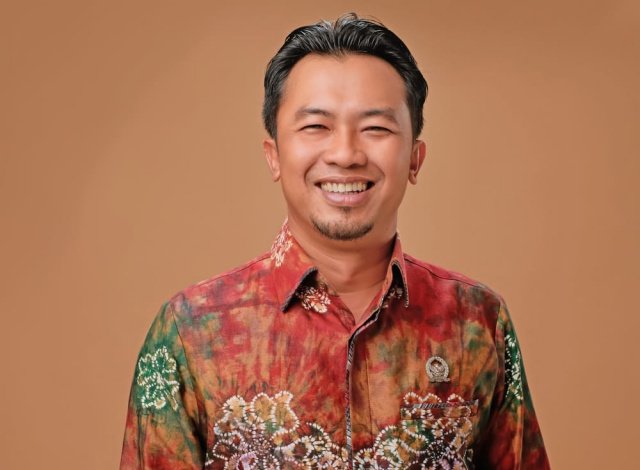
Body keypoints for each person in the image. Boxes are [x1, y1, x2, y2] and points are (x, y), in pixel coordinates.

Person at [120, 13, 550, 469]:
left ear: (415, 159)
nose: (345, 154)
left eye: (376, 128)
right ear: (274, 155)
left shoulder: (476, 323)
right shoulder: (193, 333)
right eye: (315, 127)